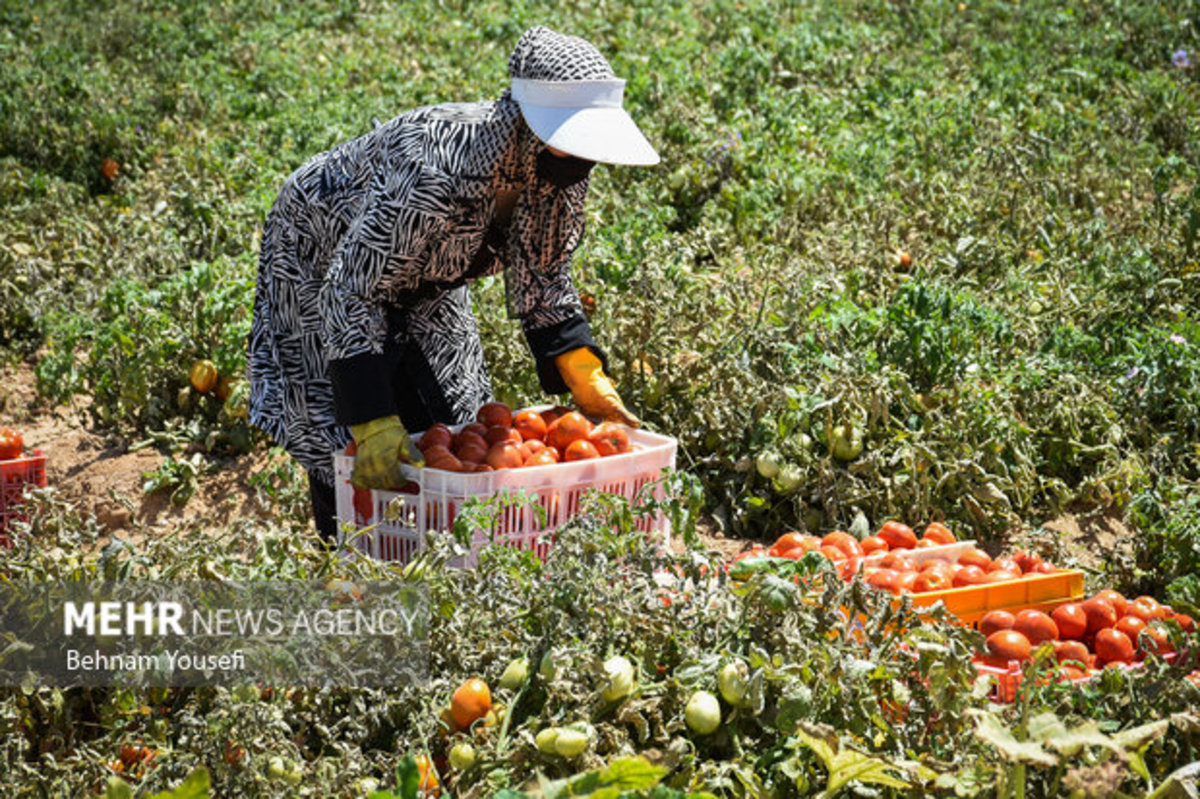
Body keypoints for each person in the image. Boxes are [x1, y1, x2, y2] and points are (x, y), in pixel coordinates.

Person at [247, 26, 659, 540]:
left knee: (455, 416)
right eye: (572, 144)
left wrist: (580, 366)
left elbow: (547, 270)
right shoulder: (437, 167)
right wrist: (372, 418)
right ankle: (349, 549)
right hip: (320, 254)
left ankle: (444, 548)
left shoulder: (558, 170)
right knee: (346, 426)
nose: (584, 161)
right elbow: (353, 290)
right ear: (530, 125)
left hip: (430, 272)